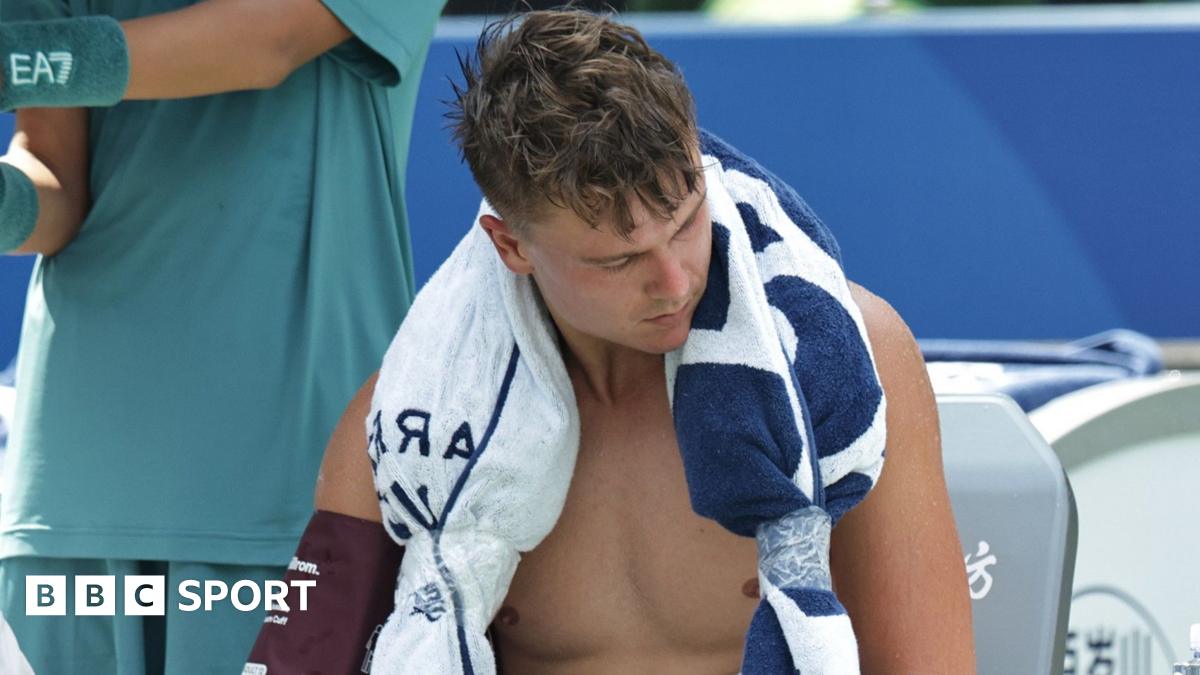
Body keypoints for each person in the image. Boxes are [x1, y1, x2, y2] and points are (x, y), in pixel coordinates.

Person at [299, 9, 975, 673]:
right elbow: (300, 660)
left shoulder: (849, 359)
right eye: (618, 261)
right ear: (512, 246)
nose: (675, 281)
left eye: (684, 223)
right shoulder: (403, 424)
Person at [0, 0, 445, 671]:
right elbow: (54, 173)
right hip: (72, 493)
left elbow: (269, 41)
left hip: (295, 491)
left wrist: (24, 63)